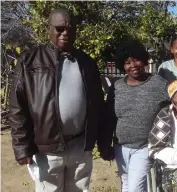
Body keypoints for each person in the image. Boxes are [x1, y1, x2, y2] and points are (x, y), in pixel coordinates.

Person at [8, 8, 105, 192]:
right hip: (47, 150)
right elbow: (17, 108)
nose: (65, 33)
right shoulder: (29, 61)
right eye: (59, 28)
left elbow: (97, 104)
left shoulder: (86, 62)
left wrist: (99, 140)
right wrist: (22, 146)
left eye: (70, 28)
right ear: (49, 29)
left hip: (79, 147)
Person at [104, 39, 169, 192]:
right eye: (127, 62)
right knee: (126, 184)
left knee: (135, 188)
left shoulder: (158, 84)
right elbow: (109, 117)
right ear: (122, 65)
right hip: (121, 147)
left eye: (137, 60)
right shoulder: (117, 87)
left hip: (145, 147)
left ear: (144, 60)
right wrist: (105, 143)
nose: (133, 65)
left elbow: (170, 112)